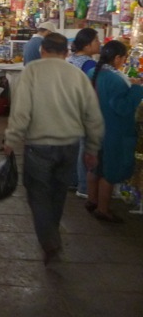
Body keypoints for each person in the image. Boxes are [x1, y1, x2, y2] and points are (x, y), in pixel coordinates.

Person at [4, 33, 104, 265]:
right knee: (58, 196)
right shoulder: (77, 76)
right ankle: (53, 233)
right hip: (69, 147)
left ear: (42, 50)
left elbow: (21, 112)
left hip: (38, 147)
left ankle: (49, 240)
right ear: (66, 52)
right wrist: (92, 148)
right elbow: (93, 116)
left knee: (38, 196)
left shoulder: (32, 72)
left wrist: (11, 140)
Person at [87, 40, 143, 223]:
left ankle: (92, 200)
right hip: (113, 130)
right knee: (109, 172)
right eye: (124, 58)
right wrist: (136, 88)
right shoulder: (116, 80)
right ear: (117, 58)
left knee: (95, 168)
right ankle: (103, 210)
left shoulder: (93, 73)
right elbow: (122, 107)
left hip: (96, 128)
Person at [66, 27, 101, 198]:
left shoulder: (70, 60)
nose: (99, 43)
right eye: (96, 40)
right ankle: (84, 186)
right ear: (87, 46)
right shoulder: (89, 64)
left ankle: (72, 181)